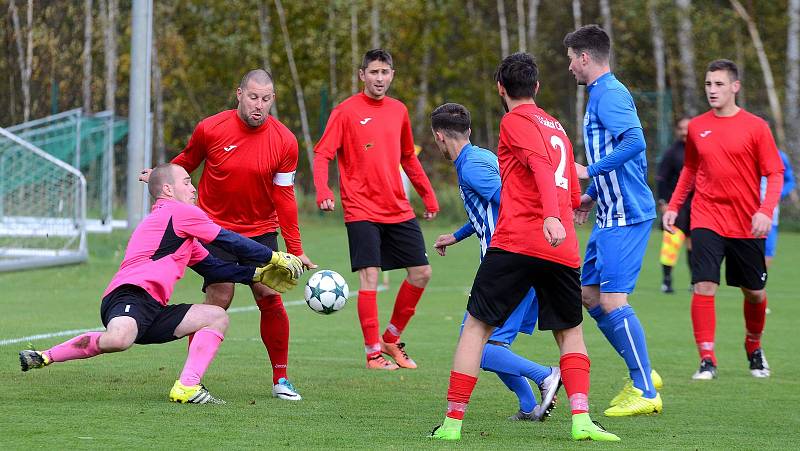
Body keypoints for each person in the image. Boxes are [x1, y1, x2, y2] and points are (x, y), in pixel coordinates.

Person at [430, 53, 619, 442]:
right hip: (561, 247)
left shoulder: (514, 121)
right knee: (571, 335)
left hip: (518, 241)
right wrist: (573, 205)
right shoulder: (557, 127)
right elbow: (565, 176)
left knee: (476, 331)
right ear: (536, 87)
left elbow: (540, 167)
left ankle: (451, 424)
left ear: (501, 89)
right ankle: (581, 420)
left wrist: (550, 213)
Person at [19, 164, 303, 404]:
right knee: (119, 339)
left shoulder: (180, 232)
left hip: (153, 309)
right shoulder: (177, 213)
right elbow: (225, 238)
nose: (194, 188)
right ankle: (45, 356)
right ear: (168, 190)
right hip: (128, 296)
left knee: (216, 317)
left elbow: (214, 267)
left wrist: (257, 275)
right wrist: (273, 256)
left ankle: (187, 387)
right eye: (187, 182)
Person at [141, 69, 314, 400]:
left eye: (265, 99)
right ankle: (191, 380)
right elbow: (187, 162)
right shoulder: (211, 128)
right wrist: (160, 178)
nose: (258, 106)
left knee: (268, 295)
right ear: (239, 94)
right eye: (252, 97)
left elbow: (285, 197)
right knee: (219, 298)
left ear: (272, 100)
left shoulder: (285, 141)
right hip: (213, 230)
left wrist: (295, 249)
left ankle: (281, 379)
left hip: (261, 230)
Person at [430, 103, 561, 422]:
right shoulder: (480, 158)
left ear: (438, 137)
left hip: (509, 266)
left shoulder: (473, 166)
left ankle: (545, 375)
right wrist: (458, 235)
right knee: (488, 343)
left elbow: (510, 203)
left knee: (477, 346)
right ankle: (529, 405)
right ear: (469, 132)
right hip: (513, 263)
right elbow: (488, 207)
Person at [313, 49, 439, 370]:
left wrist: (428, 196)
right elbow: (322, 154)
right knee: (370, 278)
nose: (379, 78)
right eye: (373, 73)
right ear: (362, 75)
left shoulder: (399, 111)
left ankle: (391, 338)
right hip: (361, 208)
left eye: (384, 72)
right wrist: (324, 190)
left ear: (392, 75)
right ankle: (372, 354)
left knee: (422, 273)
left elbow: (408, 157)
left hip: (397, 207)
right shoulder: (345, 112)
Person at [664, 59, 785, 380]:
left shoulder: (756, 127)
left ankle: (753, 346)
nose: (712, 90)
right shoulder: (696, 126)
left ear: (735, 87)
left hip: (747, 223)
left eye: (718, 84)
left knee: (754, 293)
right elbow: (690, 170)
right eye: (708, 84)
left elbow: (775, 173)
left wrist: (765, 211)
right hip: (707, 217)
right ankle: (707, 358)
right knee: (703, 285)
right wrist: (675, 206)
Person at [565, 24, 662, 417]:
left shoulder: (609, 94)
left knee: (613, 300)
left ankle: (645, 387)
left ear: (585, 57)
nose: (569, 66)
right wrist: (591, 195)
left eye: (571, 59)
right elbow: (626, 155)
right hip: (609, 210)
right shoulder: (600, 94)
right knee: (588, 295)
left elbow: (636, 142)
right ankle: (643, 373)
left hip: (627, 214)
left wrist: (589, 171)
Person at [656, 118, 693, 293]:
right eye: (681, 128)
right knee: (671, 243)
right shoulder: (672, 152)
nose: (685, 132)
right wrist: (663, 202)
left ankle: (695, 281)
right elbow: (661, 179)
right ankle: (667, 281)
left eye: (688, 128)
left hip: (697, 204)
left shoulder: (701, 148)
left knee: (694, 243)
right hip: (676, 205)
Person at [763, 150, 795, 268]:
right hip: (745, 211)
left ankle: (760, 283)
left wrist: (777, 194)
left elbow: (790, 181)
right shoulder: (745, 153)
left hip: (771, 214)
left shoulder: (779, 156)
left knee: (768, 251)